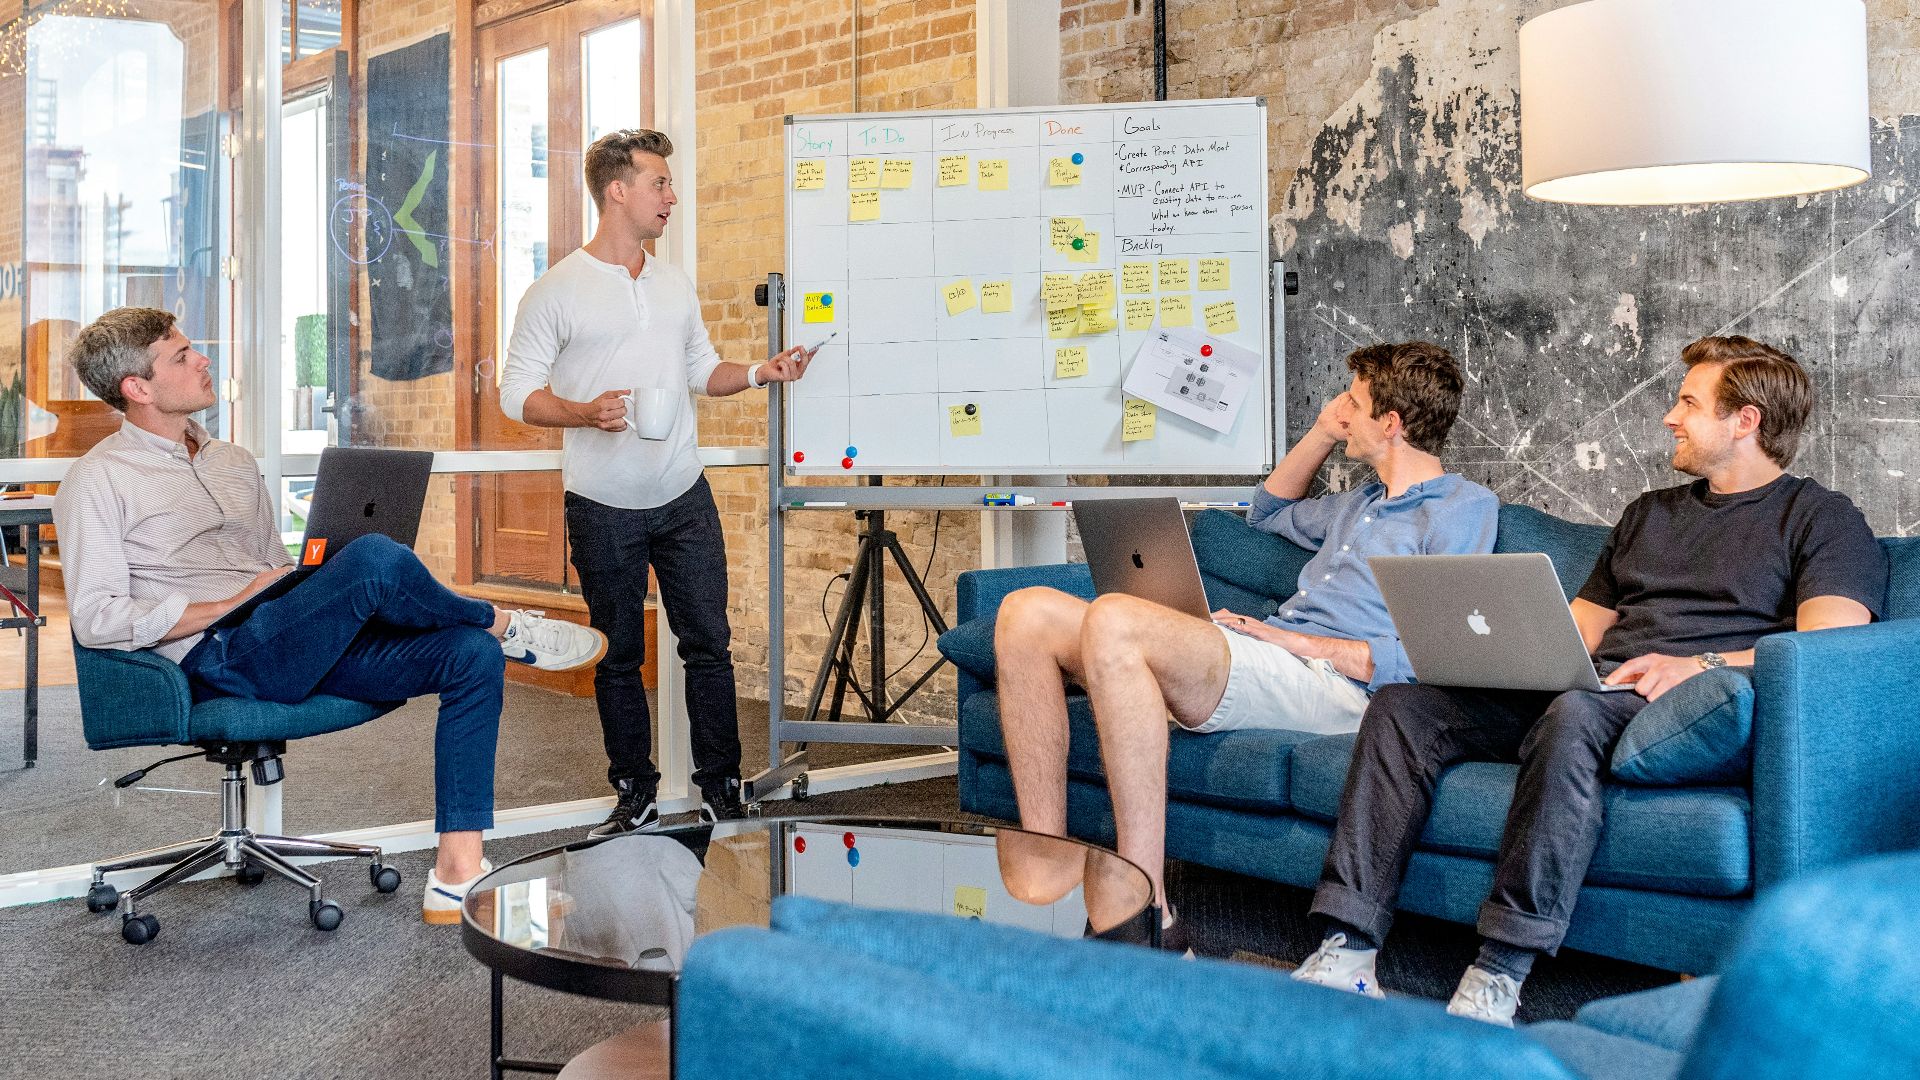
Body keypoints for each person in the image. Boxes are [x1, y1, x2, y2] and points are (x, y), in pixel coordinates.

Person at [1293, 335, 1889, 1025]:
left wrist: (1699, 664)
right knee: (1404, 706)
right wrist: (1497, 655)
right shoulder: (1650, 513)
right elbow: (1576, 631)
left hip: (1687, 705)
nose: (1670, 415)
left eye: (1689, 402)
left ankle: (1499, 971)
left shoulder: (1821, 517)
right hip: (1594, 691)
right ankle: (1349, 948)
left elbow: (1829, 647)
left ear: (1745, 420)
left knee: (1573, 714)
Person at [55, 307, 609, 925]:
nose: (203, 359)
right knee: (375, 559)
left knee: (466, 655)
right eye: (183, 356)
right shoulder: (96, 480)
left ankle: (457, 871)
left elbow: (271, 563)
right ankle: (501, 622)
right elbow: (98, 617)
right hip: (220, 654)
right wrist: (231, 602)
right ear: (138, 388)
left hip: (285, 633)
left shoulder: (231, 461)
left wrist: (305, 579)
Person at [994, 341, 1499, 948]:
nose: (1340, 409)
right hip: (1275, 660)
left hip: (1339, 688)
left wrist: (1297, 641)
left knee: (1117, 620)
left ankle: (1148, 907)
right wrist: (1319, 432)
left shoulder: (1461, 509)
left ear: (1390, 424)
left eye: (1353, 402)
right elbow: (1266, 511)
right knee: (1026, 613)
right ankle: (1049, 850)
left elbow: (1435, 655)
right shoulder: (1359, 504)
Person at [499, 129, 812, 835]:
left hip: (683, 494)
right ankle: (634, 790)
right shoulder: (557, 289)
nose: (671, 196)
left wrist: (762, 371)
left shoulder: (672, 285)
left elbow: (703, 372)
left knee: (708, 642)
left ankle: (720, 785)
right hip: (603, 503)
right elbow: (515, 394)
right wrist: (583, 411)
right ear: (618, 189)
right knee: (618, 650)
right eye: (659, 183)